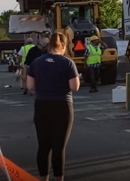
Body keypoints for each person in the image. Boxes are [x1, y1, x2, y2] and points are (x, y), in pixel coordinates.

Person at [27, 33, 80, 181]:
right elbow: (74, 87)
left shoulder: (37, 62)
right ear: (64, 45)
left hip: (42, 105)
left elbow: (30, 86)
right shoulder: (68, 63)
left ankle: (43, 178)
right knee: (58, 147)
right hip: (62, 105)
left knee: (44, 146)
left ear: (49, 45)